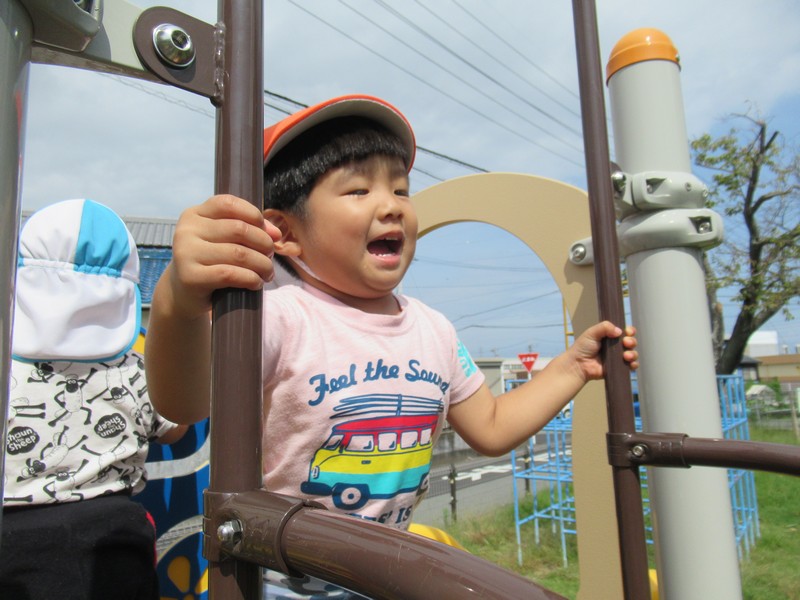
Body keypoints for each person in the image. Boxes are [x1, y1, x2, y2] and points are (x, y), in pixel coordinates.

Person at [145, 94, 638, 530]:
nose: (392, 206)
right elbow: (183, 403)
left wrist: (572, 367)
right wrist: (177, 299)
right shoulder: (278, 317)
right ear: (286, 232)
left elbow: (491, 427)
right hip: (281, 578)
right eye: (359, 190)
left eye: (401, 189)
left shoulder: (433, 330)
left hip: (382, 569)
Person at [1, 199, 186, 600]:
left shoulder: (4, 368)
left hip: (11, 539)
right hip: (110, 540)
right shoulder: (138, 370)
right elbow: (177, 422)